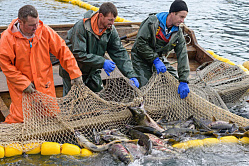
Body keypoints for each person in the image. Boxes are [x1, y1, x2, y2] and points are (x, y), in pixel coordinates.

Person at [0, 5, 83, 123]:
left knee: (51, 116)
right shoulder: (7, 38)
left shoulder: (45, 31)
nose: (36, 27)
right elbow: (6, 66)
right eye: (31, 25)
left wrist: (75, 73)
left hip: (45, 84)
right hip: (21, 88)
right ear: (20, 22)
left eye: (37, 23)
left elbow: (63, 51)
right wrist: (23, 83)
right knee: (22, 119)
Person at [59, 2, 139, 95]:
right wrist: (102, 62)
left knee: (98, 96)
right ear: (101, 16)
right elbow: (79, 54)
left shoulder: (111, 30)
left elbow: (119, 53)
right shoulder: (81, 27)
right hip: (73, 70)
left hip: (92, 70)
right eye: (110, 20)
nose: (112, 23)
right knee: (72, 99)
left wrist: (131, 74)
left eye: (114, 20)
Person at [131, 0, 190, 99]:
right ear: (172, 13)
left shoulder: (178, 33)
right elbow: (140, 43)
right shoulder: (152, 22)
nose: (182, 21)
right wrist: (155, 59)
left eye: (184, 18)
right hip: (140, 58)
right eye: (181, 17)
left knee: (174, 81)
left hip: (159, 59)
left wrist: (183, 80)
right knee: (146, 87)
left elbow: (182, 55)